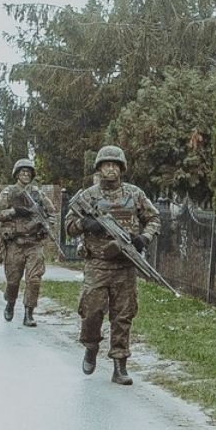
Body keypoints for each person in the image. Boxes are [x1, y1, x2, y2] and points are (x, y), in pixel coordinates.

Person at [63, 145, 159, 385]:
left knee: (123, 316)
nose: (111, 170)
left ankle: (119, 365)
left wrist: (143, 239)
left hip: (124, 266)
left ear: (122, 169)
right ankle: (91, 346)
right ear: (99, 168)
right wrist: (85, 224)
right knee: (92, 311)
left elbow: (154, 219)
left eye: (115, 165)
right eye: (106, 165)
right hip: (97, 264)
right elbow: (69, 225)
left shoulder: (135, 194)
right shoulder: (88, 196)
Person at [0, 158, 51, 326]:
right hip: (15, 243)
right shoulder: (9, 192)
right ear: (16, 174)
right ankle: (10, 304)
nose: (25, 174)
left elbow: (51, 213)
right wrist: (14, 211)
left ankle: (28, 312)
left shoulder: (38, 193)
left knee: (34, 280)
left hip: (33, 243)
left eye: (28, 172)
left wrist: (44, 226)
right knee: (13, 281)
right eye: (22, 172)